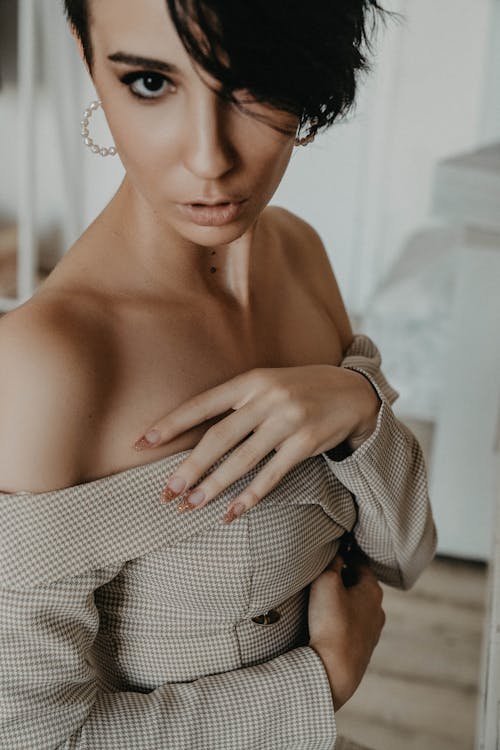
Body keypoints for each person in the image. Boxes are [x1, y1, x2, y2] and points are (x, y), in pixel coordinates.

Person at [0, 1, 437, 748]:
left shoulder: (299, 254)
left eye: (253, 82)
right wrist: (321, 682)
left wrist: (359, 410)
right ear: (84, 52)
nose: (209, 159)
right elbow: (29, 735)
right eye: (148, 82)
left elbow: (404, 557)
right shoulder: (50, 363)